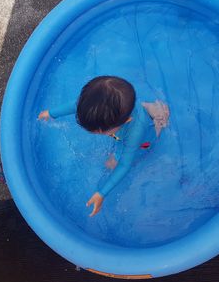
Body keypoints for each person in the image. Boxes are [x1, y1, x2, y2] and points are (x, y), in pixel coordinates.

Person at [38, 76, 169, 216]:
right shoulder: (93, 104)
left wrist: (102, 193)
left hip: (143, 139)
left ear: (125, 122)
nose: (94, 133)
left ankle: (158, 115)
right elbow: (76, 105)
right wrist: (52, 113)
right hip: (127, 120)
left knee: (113, 163)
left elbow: (125, 164)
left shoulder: (134, 133)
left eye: (99, 131)